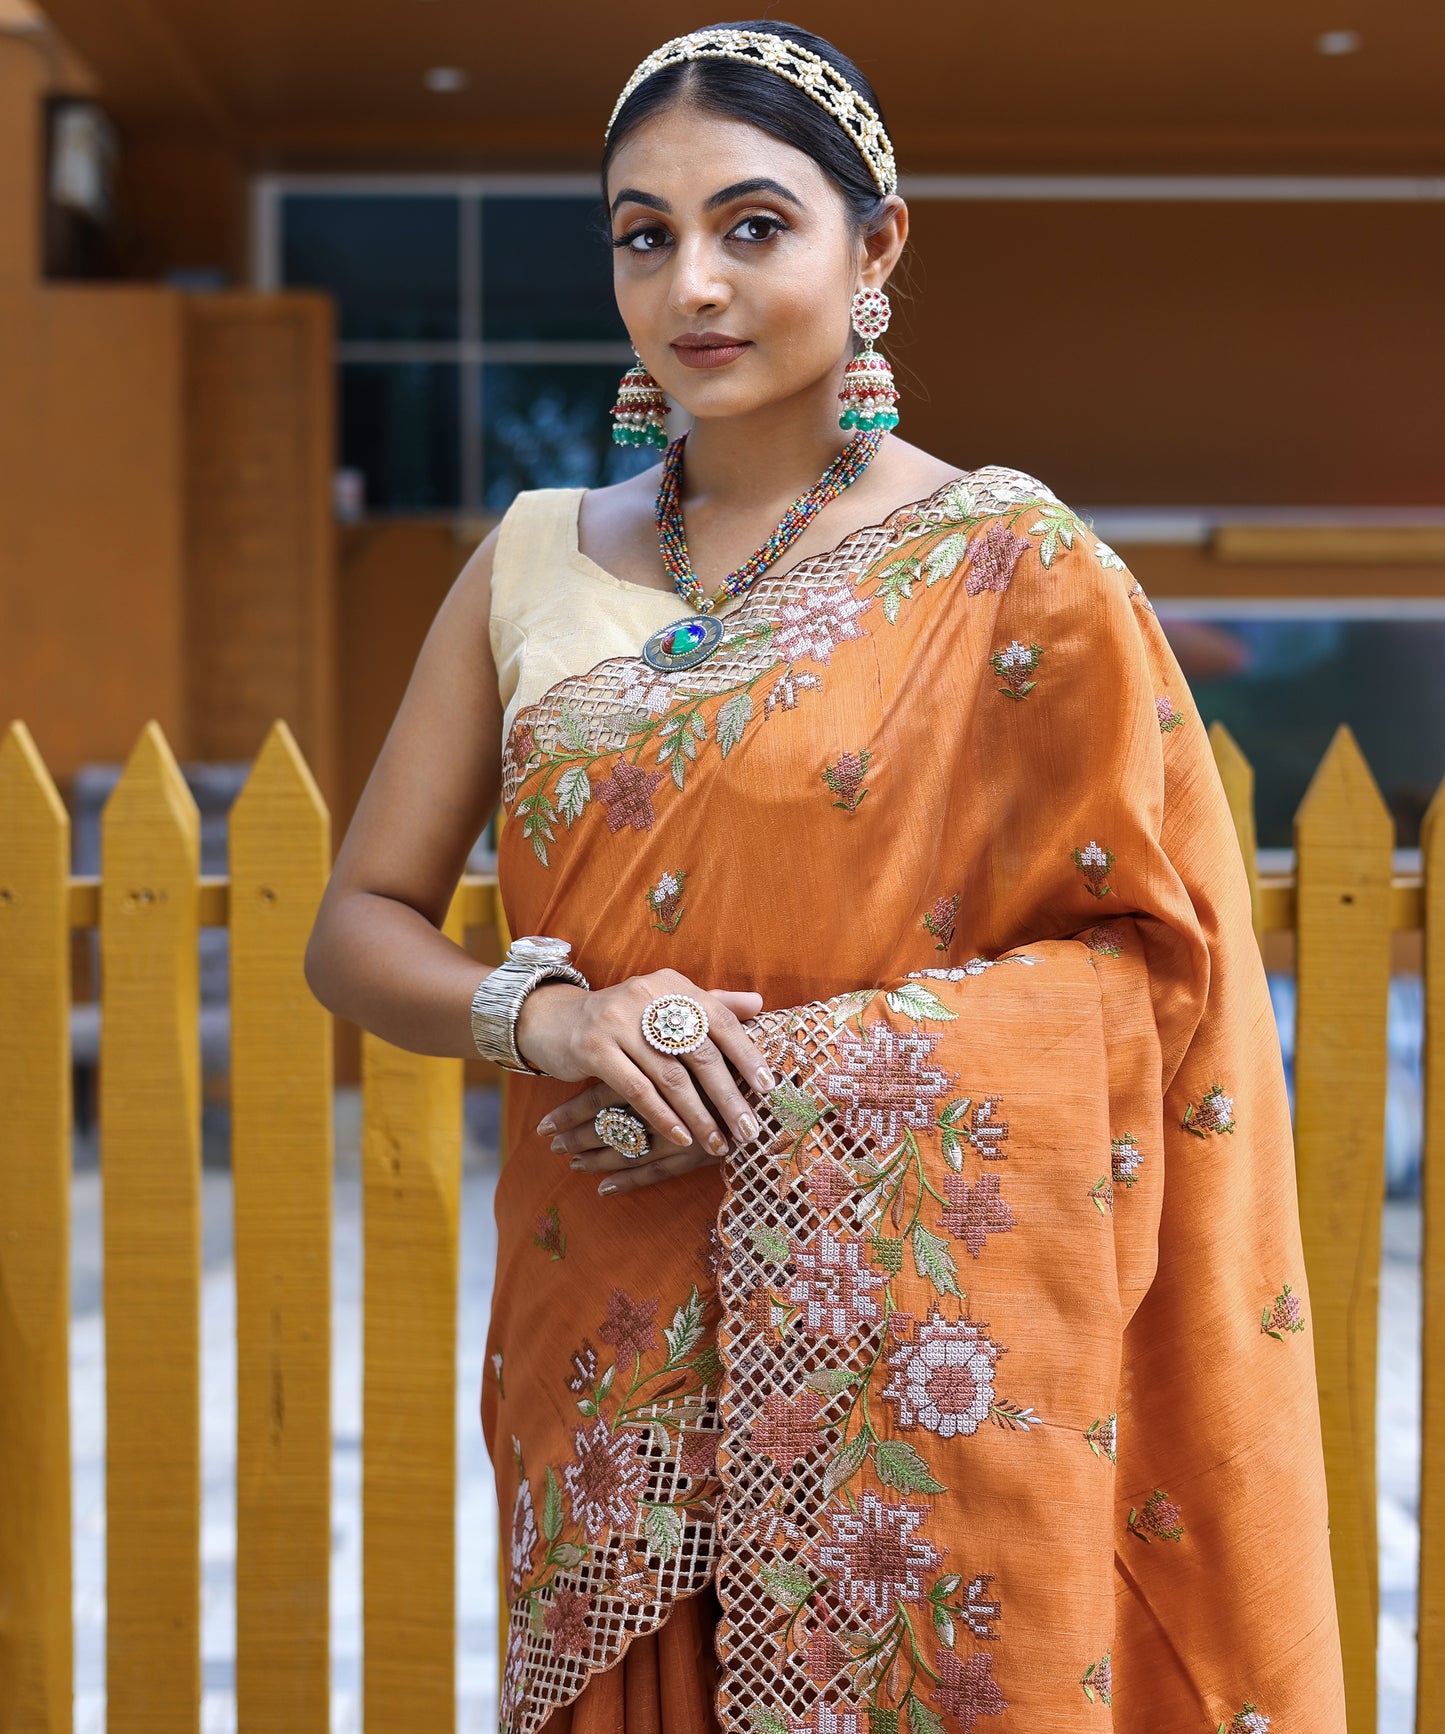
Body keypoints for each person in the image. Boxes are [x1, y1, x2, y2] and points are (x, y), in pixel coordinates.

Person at [304, 22, 1347, 1733]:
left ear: (875, 247)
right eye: (643, 234)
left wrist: (787, 1076)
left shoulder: (1015, 571)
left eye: (753, 225)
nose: (691, 283)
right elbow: (358, 928)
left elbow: (1148, 985)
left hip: (917, 1374)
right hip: (603, 1319)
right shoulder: (531, 559)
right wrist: (555, 1016)